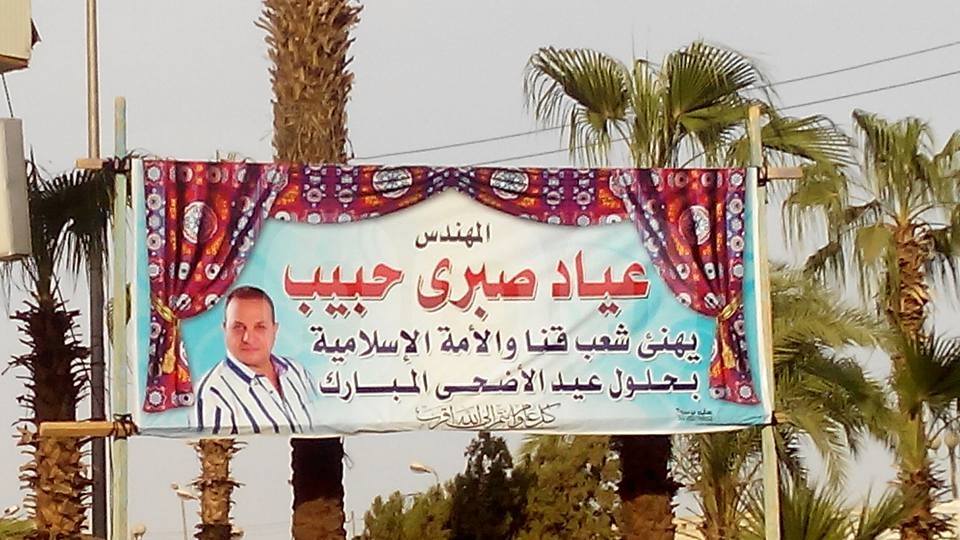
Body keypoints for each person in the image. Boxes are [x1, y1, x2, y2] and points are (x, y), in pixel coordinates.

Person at [195, 286, 316, 435]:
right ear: (225, 329)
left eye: (260, 327)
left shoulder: (297, 372)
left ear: (274, 330)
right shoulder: (213, 393)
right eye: (238, 327)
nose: (248, 338)